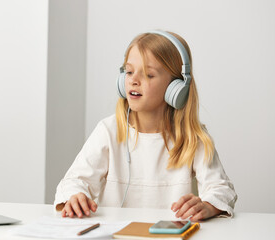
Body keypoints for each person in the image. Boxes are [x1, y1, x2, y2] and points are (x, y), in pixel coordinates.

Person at [54, 30, 237, 222]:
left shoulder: (192, 137)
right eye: (129, 71)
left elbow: (221, 189)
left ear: (176, 88)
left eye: (149, 75)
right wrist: (75, 196)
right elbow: (74, 181)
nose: (134, 80)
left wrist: (208, 206)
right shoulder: (109, 130)